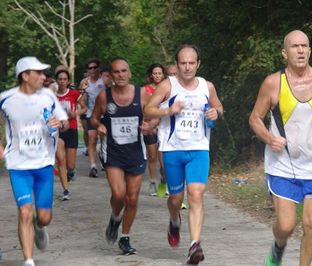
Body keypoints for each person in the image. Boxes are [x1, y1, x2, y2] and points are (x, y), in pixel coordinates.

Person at [249, 30, 312, 266]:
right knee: (286, 225)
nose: (301, 50)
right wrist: (269, 138)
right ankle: (278, 246)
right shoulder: (273, 83)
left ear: (310, 50)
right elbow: (255, 118)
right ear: (285, 53)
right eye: (295, 46)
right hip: (283, 165)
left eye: (304, 46)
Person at [144, 44, 223, 265]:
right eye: (183, 63)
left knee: (196, 193)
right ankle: (173, 219)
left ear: (198, 64)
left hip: (199, 149)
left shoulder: (207, 86)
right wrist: (168, 110)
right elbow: (148, 110)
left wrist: (215, 112)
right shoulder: (167, 86)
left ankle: (194, 245)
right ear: (177, 64)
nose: (187, 67)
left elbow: (219, 107)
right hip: (172, 150)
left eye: (191, 63)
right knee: (176, 198)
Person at [0, 56, 68, 266]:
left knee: (44, 217)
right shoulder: (6, 98)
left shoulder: (48, 97)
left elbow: (65, 123)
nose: (43, 76)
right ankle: (28, 260)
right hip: (18, 165)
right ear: (25, 76)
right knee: (24, 210)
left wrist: (60, 123)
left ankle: (39, 226)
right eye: (38, 73)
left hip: (43, 164)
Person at [91, 57, 153, 255]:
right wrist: (99, 125)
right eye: (116, 72)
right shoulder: (104, 96)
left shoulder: (141, 94)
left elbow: (153, 116)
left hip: (136, 152)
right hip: (113, 152)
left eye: (124, 71)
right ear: (110, 75)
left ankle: (125, 237)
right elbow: (93, 118)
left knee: (132, 198)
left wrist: (148, 125)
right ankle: (115, 216)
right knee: (119, 195)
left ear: (130, 73)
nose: (121, 75)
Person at [55, 68, 87, 198]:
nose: (62, 81)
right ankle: (65, 190)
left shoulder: (74, 94)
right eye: (60, 79)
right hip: (57, 130)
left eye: (64, 79)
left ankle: (71, 172)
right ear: (57, 81)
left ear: (68, 81)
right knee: (61, 160)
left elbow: (85, 108)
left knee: (70, 164)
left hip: (72, 129)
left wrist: (76, 113)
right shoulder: (52, 96)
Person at [79, 58, 106, 177]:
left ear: (98, 68)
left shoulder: (104, 80)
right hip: (91, 114)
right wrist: (83, 92)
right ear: (87, 70)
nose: (93, 70)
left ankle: (103, 156)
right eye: (90, 68)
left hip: (104, 114)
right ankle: (93, 166)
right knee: (92, 139)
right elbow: (80, 99)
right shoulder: (84, 82)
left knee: (105, 140)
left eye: (95, 67)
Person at [142, 63, 165, 196]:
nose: (157, 75)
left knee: (163, 161)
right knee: (152, 156)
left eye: (159, 73)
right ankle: (152, 182)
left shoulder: (168, 88)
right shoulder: (145, 90)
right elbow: (143, 108)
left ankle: (163, 180)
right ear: (151, 75)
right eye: (155, 73)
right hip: (149, 126)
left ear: (163, 75)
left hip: (164, 127)